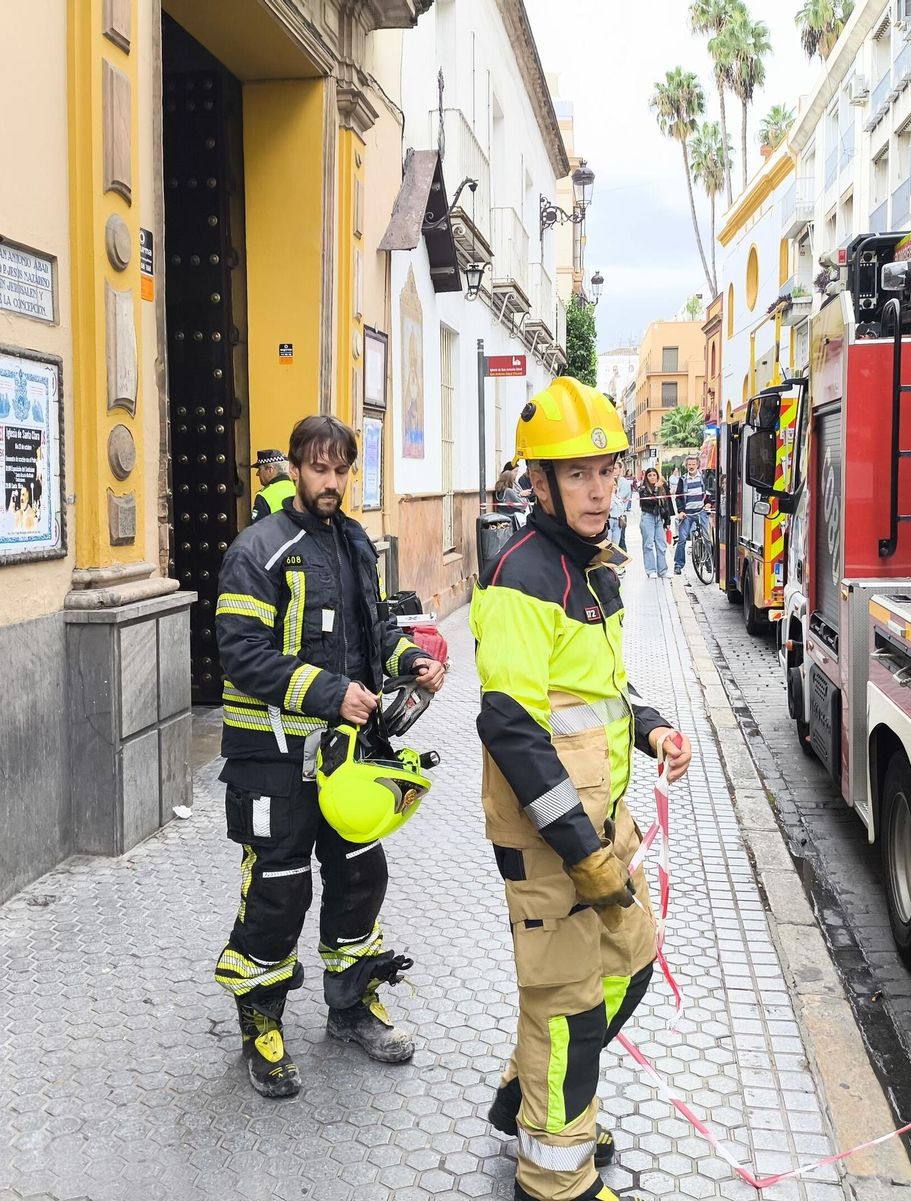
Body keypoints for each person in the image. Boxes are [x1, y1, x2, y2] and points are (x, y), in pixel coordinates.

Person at [472, 378, 692, 1201]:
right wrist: (584, 853)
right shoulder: (521, 575)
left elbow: (600, 692)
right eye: (579, 473)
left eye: (607, 468)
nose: (600, 488)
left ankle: (538, 1090)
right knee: (565, 1006)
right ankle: (554, 1175)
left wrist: (657, 726)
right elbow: (516, 730)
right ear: (540, 484)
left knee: (631, 960)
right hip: (551, 841)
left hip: (602, 827)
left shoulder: (592, 568)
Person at [213, 415, 448, 1098]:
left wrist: (413, 661)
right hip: (274, 760)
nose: (332, 482)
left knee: (358, 876)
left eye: (342, 469)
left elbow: (372, 634)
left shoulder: (353, 540)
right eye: (319, 468)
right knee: (278, 891)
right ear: (292, 469)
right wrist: (330, 692)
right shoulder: (256, 549)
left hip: (351, 761)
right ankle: (261, 1020)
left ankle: (350, 1005)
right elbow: (240, 653)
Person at [672, 460, 711, 577]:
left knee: (707, 538)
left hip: (701, 512)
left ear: (697, 465)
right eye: (689, 465)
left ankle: (709, 561)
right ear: (686, 466)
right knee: (682, 539)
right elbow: (678, 497)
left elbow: (709, 493)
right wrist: (681, 511)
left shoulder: (703, 477)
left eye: (693, 464)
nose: (691, 467)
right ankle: (678, 565)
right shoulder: (683, 479)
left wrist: (708, 503)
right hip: (687, 514)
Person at [638, 466, 672, 579]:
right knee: (648, 545)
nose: (652, 477)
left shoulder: (663, 488)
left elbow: (666, 504)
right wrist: (656, 489)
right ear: (646, 477)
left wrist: (667, 520)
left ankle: (662, 571)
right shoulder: (643, 489)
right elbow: (651, 502)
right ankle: (651, 570)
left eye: (654, 475)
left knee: (661, 544)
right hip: (647, 516)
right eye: (650, 475)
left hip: (659, 518)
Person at [250, 448, 295, 522]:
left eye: (259, 469)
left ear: (270, 470)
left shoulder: (265, 495)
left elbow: (258, 529)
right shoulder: (298, 489)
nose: (257, 474)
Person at [606, 470, 632, 553]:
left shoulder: (618, 498)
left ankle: (614, 564)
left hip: (618, 522)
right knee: (608, 544)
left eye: (614, 485)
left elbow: (622, 509)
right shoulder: (606, 498)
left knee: (615, 544)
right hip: (609, 521)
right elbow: (608, 508)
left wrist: (616, 499)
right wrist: (612, 498)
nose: (613, 487)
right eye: (611, 485)